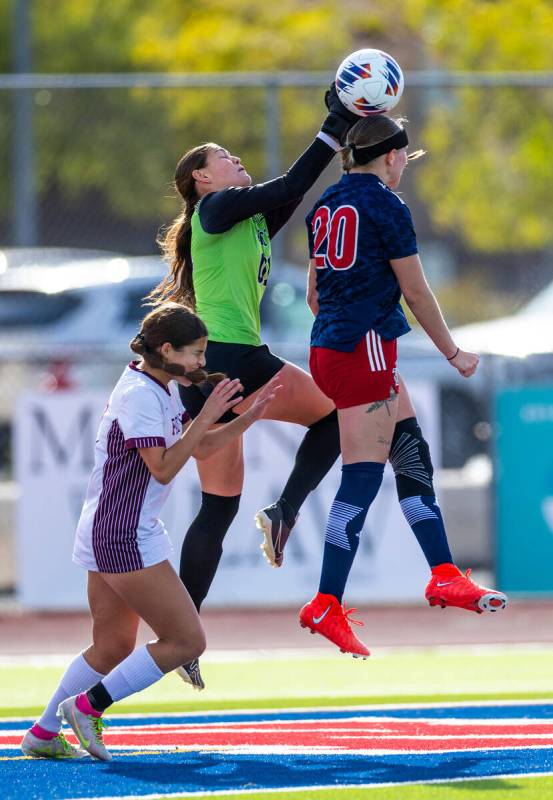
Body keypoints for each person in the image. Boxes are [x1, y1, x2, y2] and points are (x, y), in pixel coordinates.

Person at [149, 85, 360, 687]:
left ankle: (180, 638)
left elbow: (293, 191)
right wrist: (333, 123)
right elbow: (289, 184)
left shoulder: (243, 218)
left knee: (218, 506)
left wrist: (341, 132)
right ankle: (285, 510)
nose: (236, 160)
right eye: (223, 157)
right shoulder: (214, 210)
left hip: (207, 369)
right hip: (233, 357)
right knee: (334, 418)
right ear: (200, 179)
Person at [20, 302, 277, 761]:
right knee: (187, 641)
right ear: (166, 349)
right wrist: (207, 415)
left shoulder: (158, 386)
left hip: (112, 527)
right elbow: (161, 468)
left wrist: (246, 418)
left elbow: (195, 449)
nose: (201, 363)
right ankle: (88, 706)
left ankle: (42, 733)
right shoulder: (140, 394)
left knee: (113, 645)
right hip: (123, 533)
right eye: (195, 353)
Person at [297, 115, 508, 658]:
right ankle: (325, 600)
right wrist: (453, 353)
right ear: (392, 157)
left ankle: (442, 572)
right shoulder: (387, 206)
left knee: (411, 453)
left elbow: (314, 296)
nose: (404, 168)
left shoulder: (326, 205)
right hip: (361, 348)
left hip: (333, 345)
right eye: (404, 159)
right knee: (362, 479)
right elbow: (415, 290)